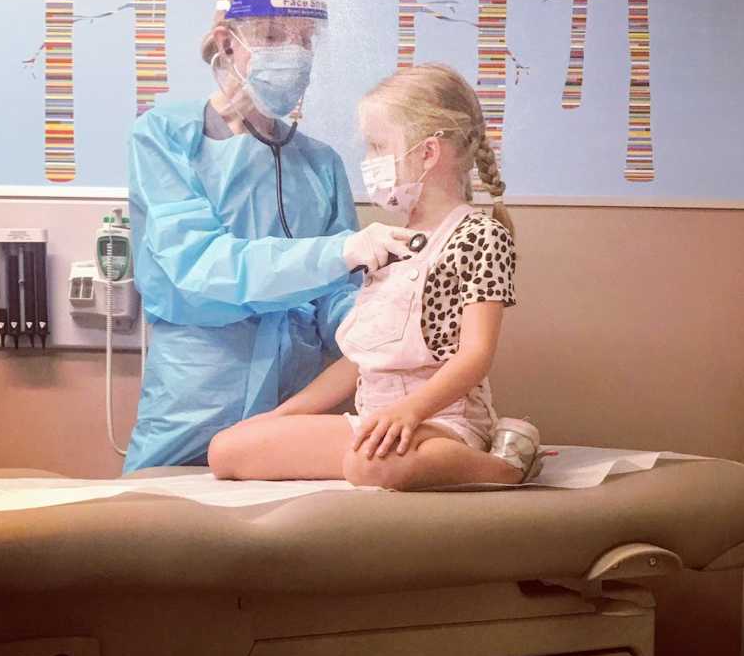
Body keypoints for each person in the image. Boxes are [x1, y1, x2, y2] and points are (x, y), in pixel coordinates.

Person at [123, 0, 416, 472]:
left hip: (294, 404)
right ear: (226, 40)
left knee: (283, 542)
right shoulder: (166, 139)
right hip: (196, 398)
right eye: (273, 34)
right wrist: (338, 251)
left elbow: (337, 301)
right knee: (162, 537)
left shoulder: (319, 164)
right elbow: (199, 265)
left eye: (303, 39)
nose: (294, 53)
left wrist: (387, 327)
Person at [208, 63, 545, 489]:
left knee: (370, 467)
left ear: (427, 153)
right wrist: (284, 415)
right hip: (374, 422)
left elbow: (475, 355)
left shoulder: (480, 236)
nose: (368, 161)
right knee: (227, 449)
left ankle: (507, 466)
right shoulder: (388, 242)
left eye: (377, 146)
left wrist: (411, 412)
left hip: (442, 424)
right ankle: (375, 451)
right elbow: (360, 361)